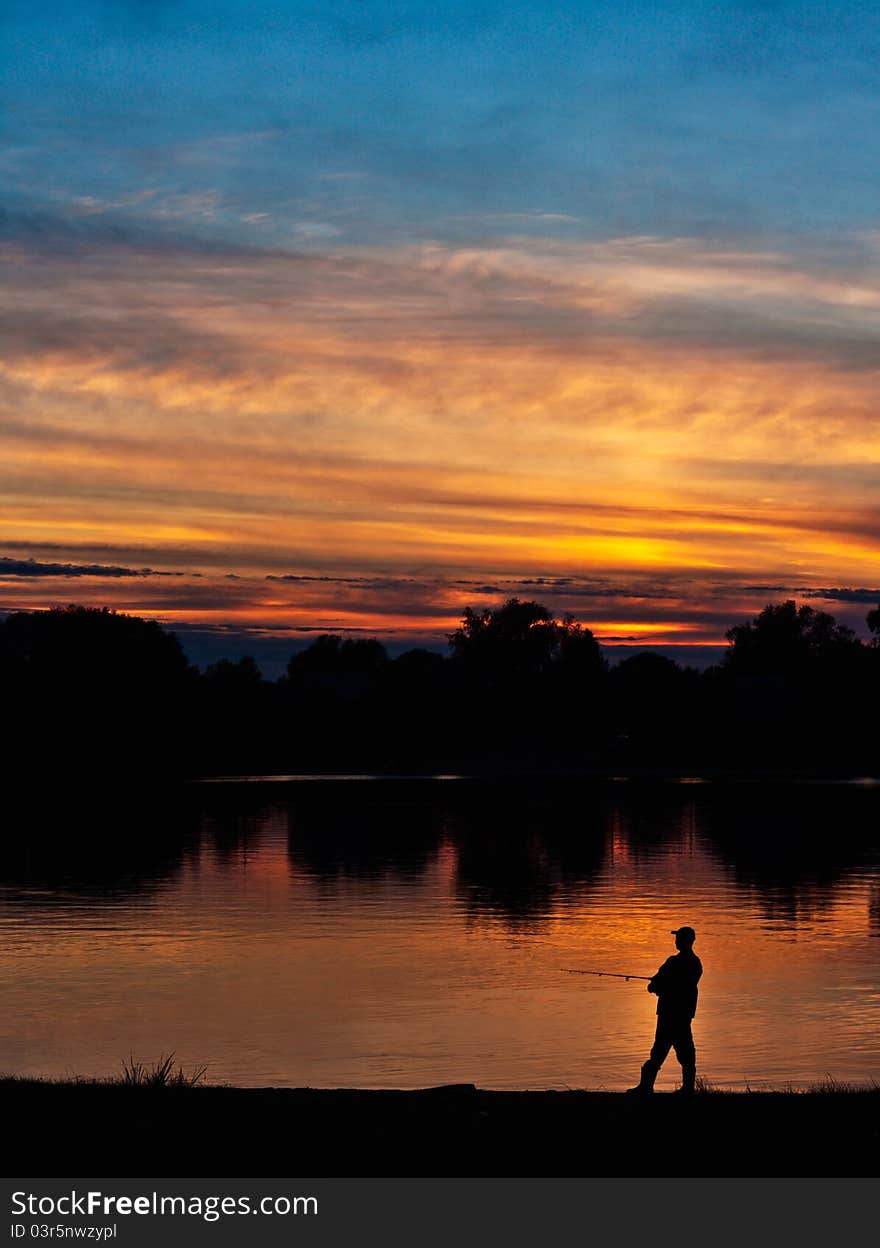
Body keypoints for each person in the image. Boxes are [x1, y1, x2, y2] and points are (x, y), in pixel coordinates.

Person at [627, 926, 702, 1094]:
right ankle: (688, 1088)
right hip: (684, 1015)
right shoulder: (696, 963)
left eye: (678, 938)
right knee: (686, 1053)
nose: (676, 941)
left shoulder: (673, 962)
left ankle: (646, 1087)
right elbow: (684, 986)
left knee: (659, 1051)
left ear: (683, 941)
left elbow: (655, 986)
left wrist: (654, 985)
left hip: (668, 1015)